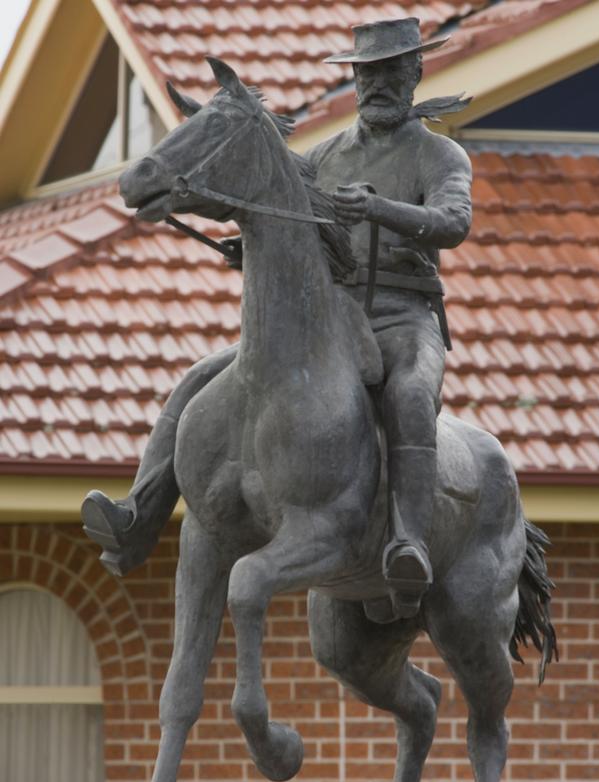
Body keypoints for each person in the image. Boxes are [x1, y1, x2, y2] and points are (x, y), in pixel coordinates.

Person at [82, 17, 472, 621]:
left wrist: (379, 208)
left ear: (415, 73)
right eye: (366, 73)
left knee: (411, 394)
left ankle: (408, 545)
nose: (377, 85)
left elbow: (453, 223)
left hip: (403, 316)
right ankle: (137, 513)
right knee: (202, 377)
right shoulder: (324, 154)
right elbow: (287, 220)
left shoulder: (439, 154)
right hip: (333, 313)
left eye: (390, 72)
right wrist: (253, 244)